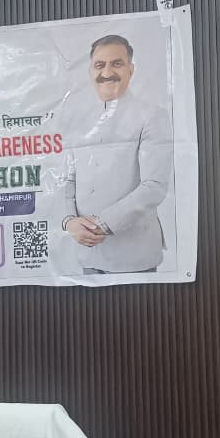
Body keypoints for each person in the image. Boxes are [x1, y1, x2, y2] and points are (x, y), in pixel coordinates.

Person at [58, 35, 173, 273]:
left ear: (131, 70)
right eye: (99, 65)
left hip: (134, 255)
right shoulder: (78, 121)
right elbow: (67, 180)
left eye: (117, 64)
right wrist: (69, 221)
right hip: (87, 254)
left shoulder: (152, 116)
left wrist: (102, 224)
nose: (107, 72)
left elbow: (154, 186)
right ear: (91, 71)